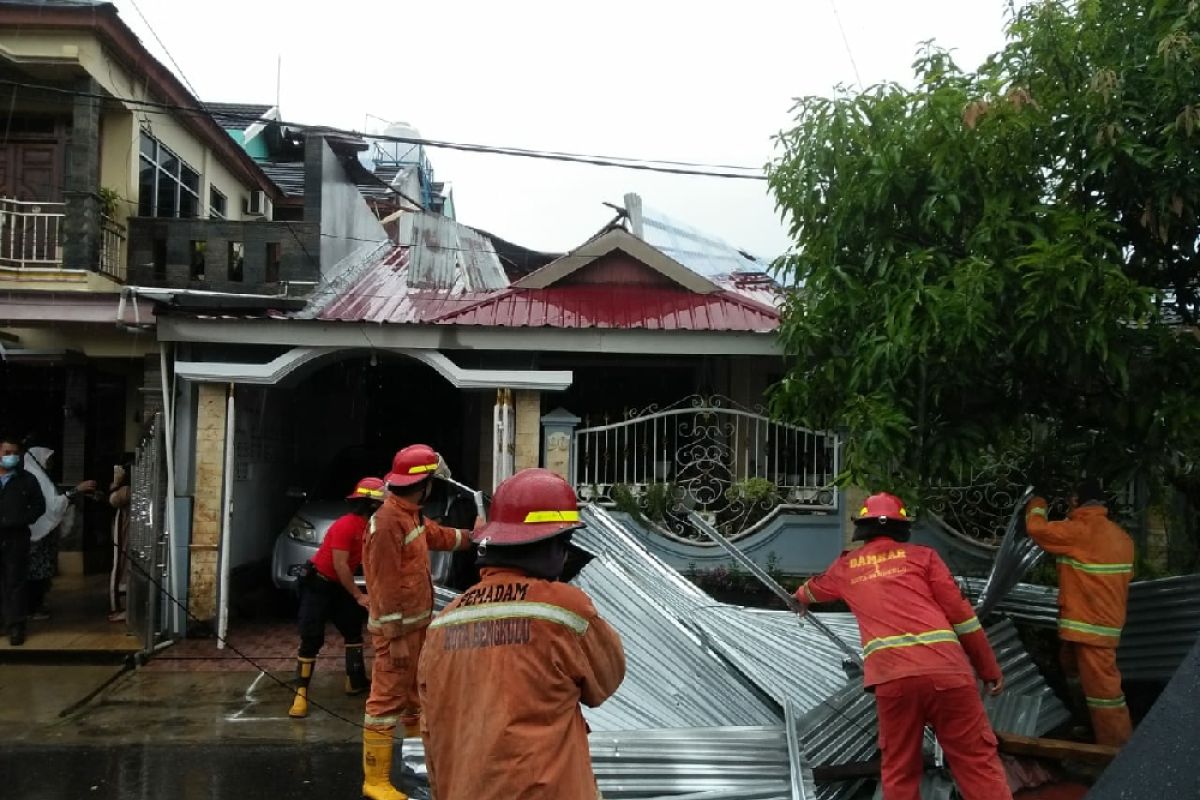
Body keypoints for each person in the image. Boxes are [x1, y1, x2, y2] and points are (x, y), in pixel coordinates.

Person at [418, 468, 626, 800]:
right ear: (549, 546)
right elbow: (606, 682)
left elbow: (431, 733)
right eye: (564, 543)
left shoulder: (443, 623)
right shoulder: (566, 610)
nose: (564, 555)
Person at [795, 492, 1011, 800]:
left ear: (863, 527)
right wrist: (989, 669)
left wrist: (799, 597)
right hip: (949, 675)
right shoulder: (924, 557)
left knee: (899, 770)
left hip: (893, 681)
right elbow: (963, 619)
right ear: (902, 527)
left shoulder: (847, 567)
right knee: (976, 762)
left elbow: (810, 591)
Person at [360, 444, 479, 800]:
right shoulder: (386, 522)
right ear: (424, 483)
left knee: (414, 697)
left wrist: (476, 536)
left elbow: (439, 537)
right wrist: (394, 638)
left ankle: (416, 765)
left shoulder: (408, 514)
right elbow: (383, 587)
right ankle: (375, 782)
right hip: (398, 634)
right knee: (385, 703)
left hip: (417, 628)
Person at [1025, 478, 1134, 747]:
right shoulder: (1121, 537)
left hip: (1089, 628)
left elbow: (1036, 528)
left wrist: (1037, 502)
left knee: (1104, 693)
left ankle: (1116, 751)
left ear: (1076, 501)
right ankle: (1087, 726)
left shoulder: (1080, 531)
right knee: (1074, 673)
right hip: (1097, 625)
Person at [287, 476, 386, 719]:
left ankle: (355, 680)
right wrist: (358, 595)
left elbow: (369, 562)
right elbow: (340, 565)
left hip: (340, 586)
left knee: (353, 629)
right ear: (370, 505)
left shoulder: (369, 529)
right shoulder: (346, 525)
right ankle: (300, 693)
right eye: (381, 503)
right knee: (311, 637)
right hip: (318, 585)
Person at [22, 447, 96, 620]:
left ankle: (35, 605)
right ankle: (33, 607)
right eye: (48, 459)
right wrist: (76, 490)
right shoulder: (36, 477)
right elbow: (52, 505)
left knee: (39, 572)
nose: (51, 463)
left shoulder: (39, 476)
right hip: (37, 534)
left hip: (40, 533)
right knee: (36, 572)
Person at [0, 435, 46, 646]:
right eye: (6, 453)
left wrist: (22, 519)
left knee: (16, 580)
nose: (10, 457)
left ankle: (16, 625)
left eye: (14, 454)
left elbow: (39, 505)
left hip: (16, 536)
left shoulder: (27, 480)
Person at [108, 464, 132, 623]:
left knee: (122, 569)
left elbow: (113, 500)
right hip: (130, 535)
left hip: (126, 536)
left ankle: (122, 608)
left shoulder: (127, 490)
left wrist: (116, 482)